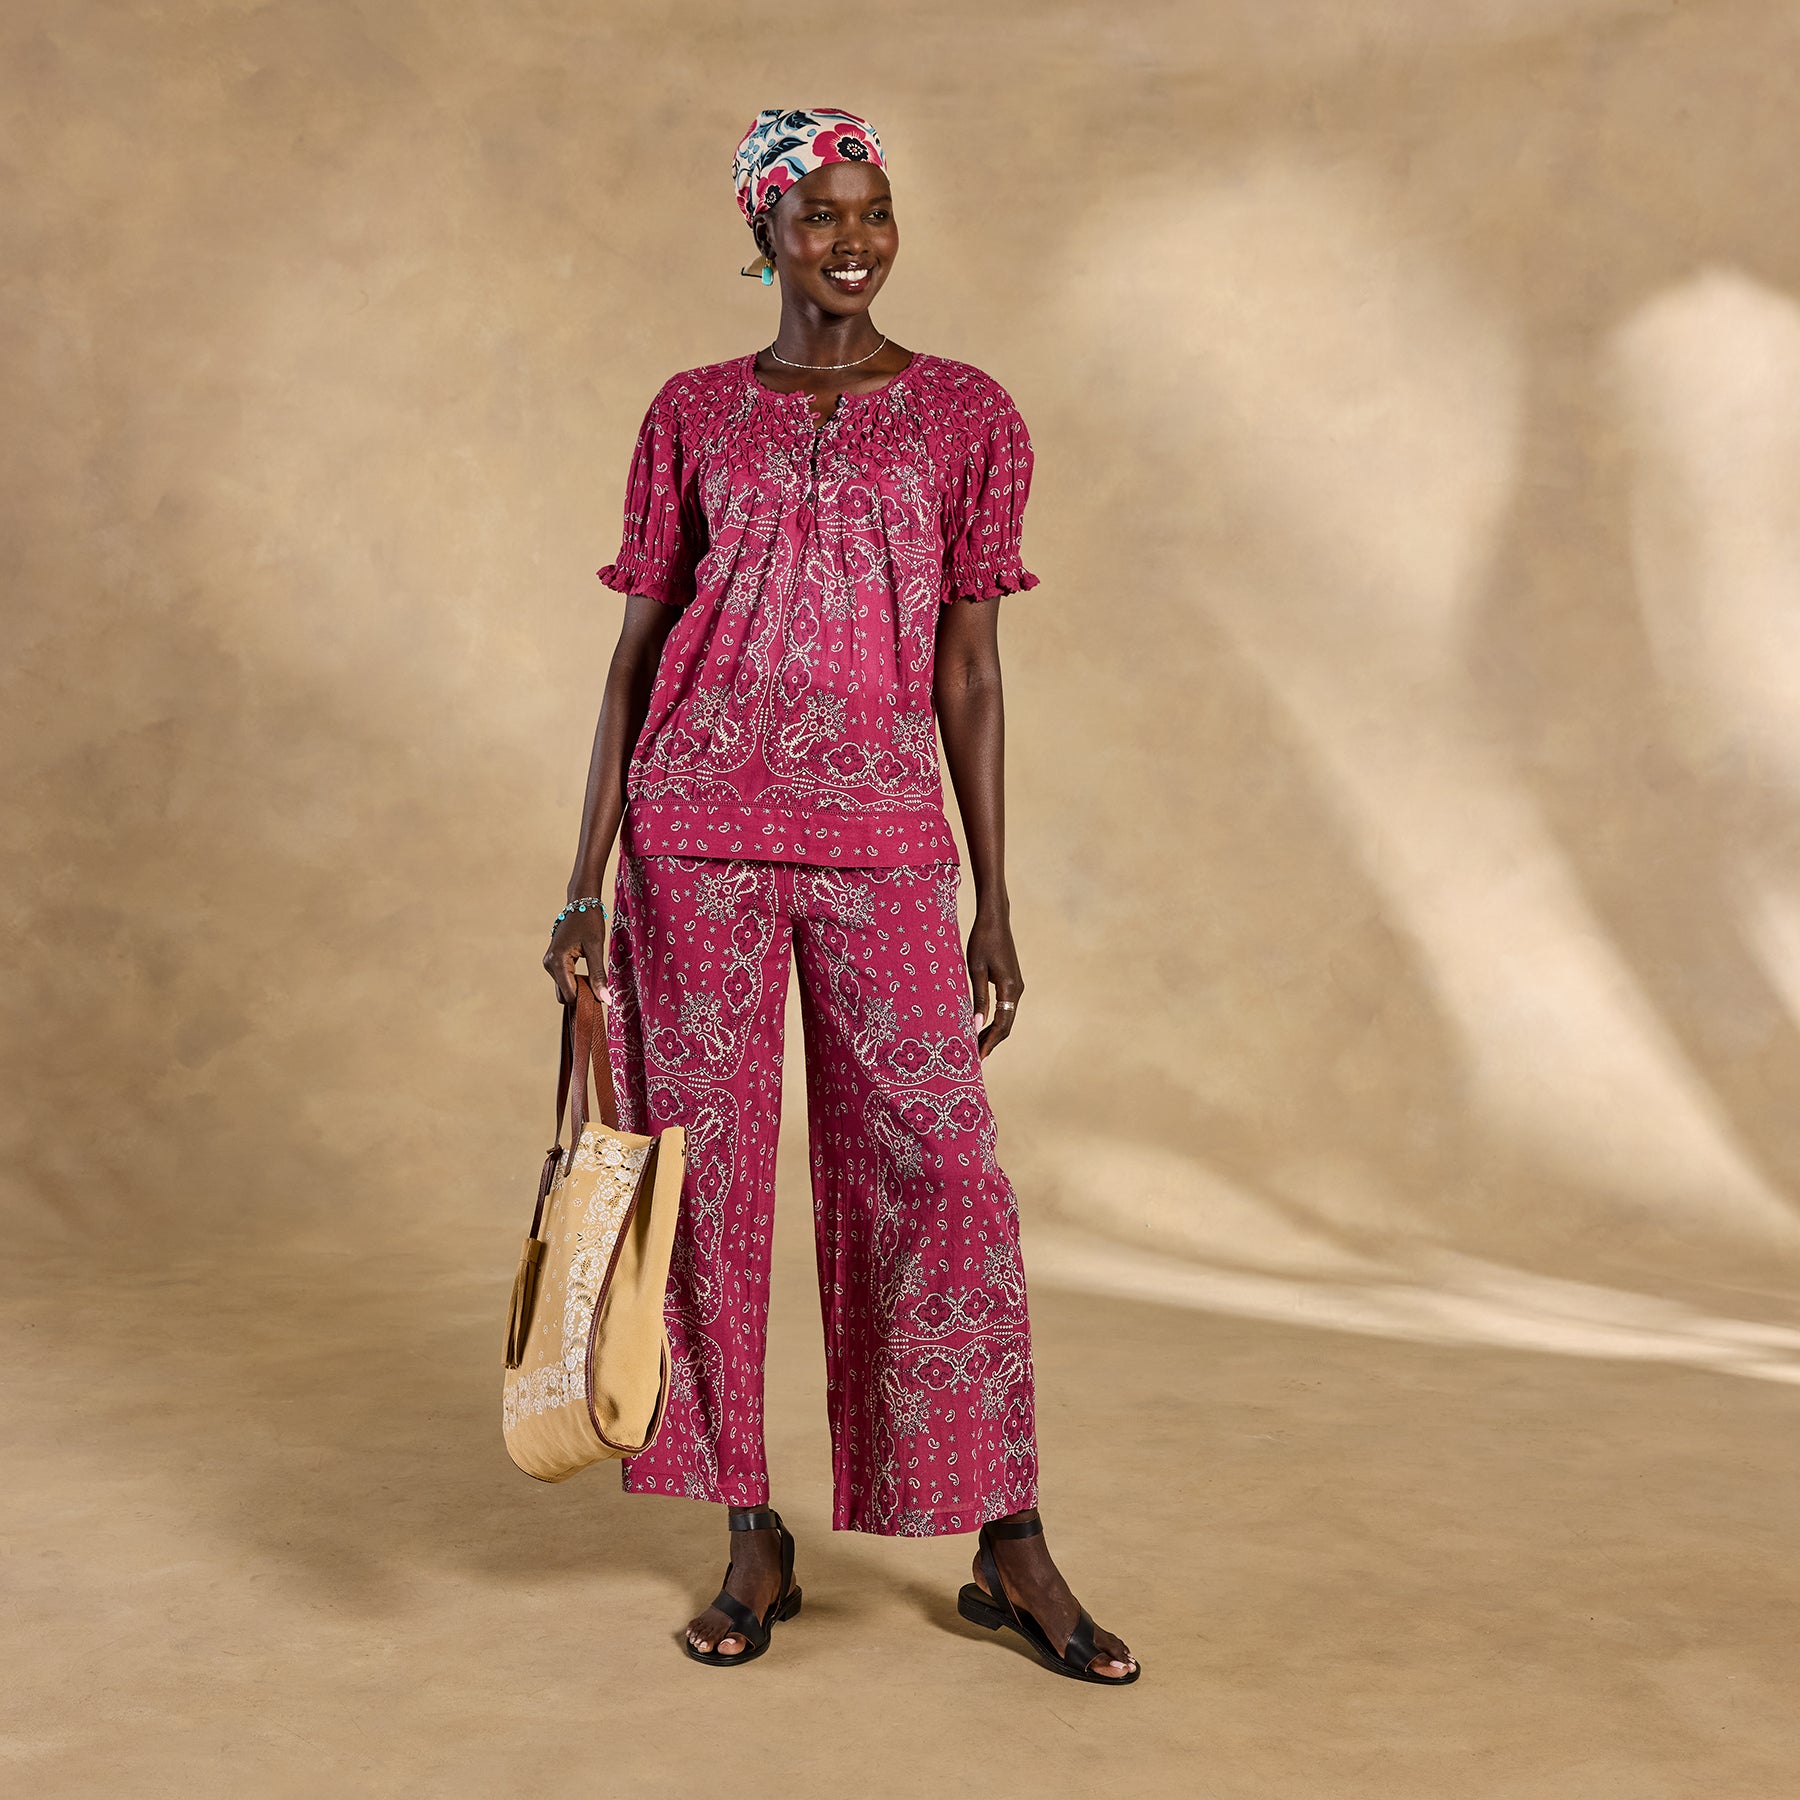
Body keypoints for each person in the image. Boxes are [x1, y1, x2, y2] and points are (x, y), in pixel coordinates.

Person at [543, 106, 1138, 1684]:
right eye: (819, 216)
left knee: (943, 1172)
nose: (852, 241)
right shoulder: (692, 414)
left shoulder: (966, 416)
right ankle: (750, 1532)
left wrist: (993, 896)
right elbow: (634, 655)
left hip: (884, 841)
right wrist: (582, 882)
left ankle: (1008, 1541)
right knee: (705, 1186)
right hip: (695, 836)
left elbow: (971, 670)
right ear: (766, 234)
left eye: (872, 212)